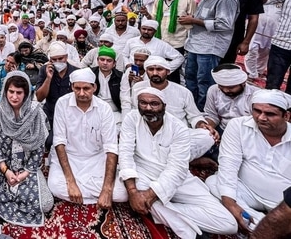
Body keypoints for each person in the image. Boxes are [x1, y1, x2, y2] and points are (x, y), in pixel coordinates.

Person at [115, 88, 237, 239]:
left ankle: (157, 209)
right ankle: (190, 234)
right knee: (125, 192)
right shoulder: (132, 119)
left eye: (154, 104)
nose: (148, 108)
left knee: (228, 224)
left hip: (177, 178)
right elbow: (125, 154)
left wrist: (150, 195)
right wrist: (133, 191)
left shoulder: (178, 128)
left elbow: (177, 169)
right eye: (143, 103)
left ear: (164, 105)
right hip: (143, 173)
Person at [0, 71, 53, 226]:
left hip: (27, 165)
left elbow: (38, 148)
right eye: (11, 92)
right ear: (5, 91)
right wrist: (5, 170)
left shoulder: (35, 112)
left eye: (19, 93)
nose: (14, 97)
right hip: (0, 162)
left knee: (45, 203)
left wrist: (25, 174)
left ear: (26, 93)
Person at [206, 89, 291, 235]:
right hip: (246, 190)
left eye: (270, 114)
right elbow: (228, 164)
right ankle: (259, 223)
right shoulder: (238, 126)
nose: (261, 118)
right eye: (257, 111)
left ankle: (264, 224)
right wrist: (230, 203)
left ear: (286, 116)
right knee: (213, 182)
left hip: (283, 202)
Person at [48, 68, 118, 207]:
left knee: (121, 193)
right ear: (72, 87)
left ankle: (83, 193)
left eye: (86, 88)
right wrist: (71, 181)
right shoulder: (62, 103)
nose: (81, 93)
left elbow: (111, 147)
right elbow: (59, 142)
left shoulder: (104, 108)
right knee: (55, 186)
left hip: (96, 159)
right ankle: (89, 193)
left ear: (94, 87)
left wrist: (107, 189)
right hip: (70, 157)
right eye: (77, 88)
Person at [133, 56, 219, 162]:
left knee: (207, 136)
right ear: (146, 71)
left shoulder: (183, 91)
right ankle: (184, 161)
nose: (155, 73)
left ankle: (163, 159)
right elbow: (134, 112)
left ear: (168, 71)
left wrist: (201, 124)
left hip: (177, 135)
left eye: (159, 69)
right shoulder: (138, 88)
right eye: (151, 69)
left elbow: (194, 116)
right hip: (149, 132)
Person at [179, 0, 239, 111]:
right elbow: (204, 17)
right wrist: (192, 18)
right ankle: (191, 107)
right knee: (190, 78)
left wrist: (193, 21)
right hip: (196, 44)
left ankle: (203, 111)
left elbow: (225, 24)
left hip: (210, 47)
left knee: (204, 81)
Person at [141, 0, 196, 83]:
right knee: (159, 70)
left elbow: (193, 22)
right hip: (161, 41)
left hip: (178, 43)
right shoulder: (158, 1)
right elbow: (155, 21)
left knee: (173, 72)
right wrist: (147, 14)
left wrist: (189, 20)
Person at [35, 41, 80, 150]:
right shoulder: (44, 70)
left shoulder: (75, 71)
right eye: (54, 60)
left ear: (66, 57)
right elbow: (40, 97)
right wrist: (49, 78)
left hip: (70, 115)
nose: (58, 62)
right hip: (50, 113)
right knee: (46, 141)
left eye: (61, 59)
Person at [219, 0, 264, 64]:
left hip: (234, 36)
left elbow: (253, 18)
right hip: (214, 34)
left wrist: (246, 42)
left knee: (225, 66)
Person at [204, 63, 260, 133]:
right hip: (223, 129)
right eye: (221, 86)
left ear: (243, 83)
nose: (226, 90)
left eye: (231, 87)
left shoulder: (256, 95)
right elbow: (211, 115)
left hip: (248, 131)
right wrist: (208, 130)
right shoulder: (213, 90)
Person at [261, 0, 291, 94]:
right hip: (281, 44)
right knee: (273, 83)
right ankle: (270, 109)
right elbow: (262, 0)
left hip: (281, 44)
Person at [91, 46, 123, 128]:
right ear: (97, 61)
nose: (105, 63)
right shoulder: (90, 74)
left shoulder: (120, 76)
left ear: (114, 64)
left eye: (109, 61)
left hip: (115, 111)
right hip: (94, 110)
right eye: (102, 60)